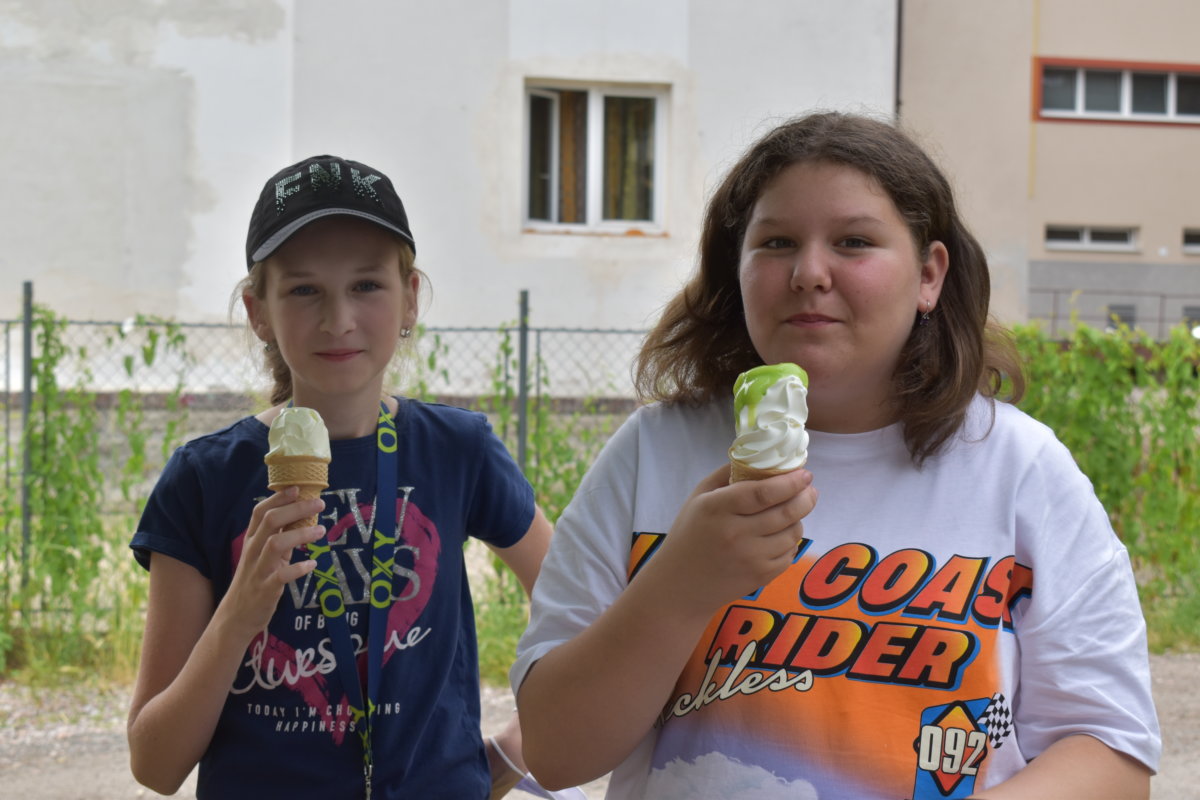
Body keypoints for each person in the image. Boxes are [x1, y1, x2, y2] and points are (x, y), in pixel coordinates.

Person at [511, 112, 1162, 799]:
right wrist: (680, 586)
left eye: (854, 241)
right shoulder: (653, 452)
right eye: (776, 242)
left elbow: (1112, 756)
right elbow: (556, 752)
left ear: (929, 276)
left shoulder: (1019, 469)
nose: (808, 273)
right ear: (737, 270)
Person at [127, 154, 556, 798]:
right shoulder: (205, 478)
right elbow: (155, 765)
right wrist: (238, 615)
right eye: (304, 290)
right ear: (258, 311)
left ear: (410, 298)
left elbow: (577, 609)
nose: (338, 320)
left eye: (366, 285)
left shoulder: (458, 450)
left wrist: (511, 753)